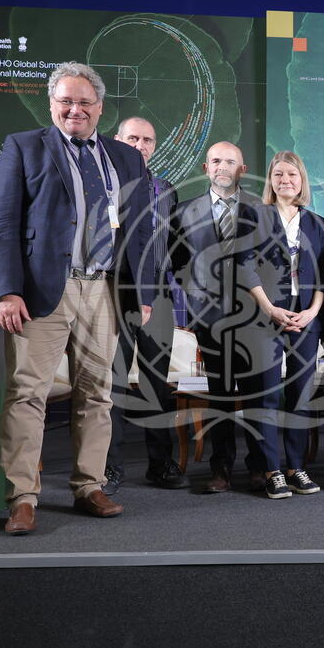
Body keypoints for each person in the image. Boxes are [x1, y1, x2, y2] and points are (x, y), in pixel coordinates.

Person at [0, 61, 153, 535]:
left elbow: (142, 231)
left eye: (84, 102)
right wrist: (7, 290)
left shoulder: (126, 157)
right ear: (51, 104)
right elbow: (3, 223)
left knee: (97, 395)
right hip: (42, 290)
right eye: (65, 101)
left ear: (100, 107)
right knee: (27, 394)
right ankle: (22, 497)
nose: (74, 109)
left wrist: (141, 293)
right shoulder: (24, 147)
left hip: (104, 289)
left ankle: (89, 486)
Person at [168, 141, 290, 498]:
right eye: (216, 160)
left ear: (242, 169)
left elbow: (279, 261)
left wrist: (268, 305)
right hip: (209, 319)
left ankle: (258, 467)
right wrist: (195, 294)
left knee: (256, 396)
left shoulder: (263, 210)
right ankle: (220, 469)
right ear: (206, 167)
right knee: (219, 396)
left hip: (256, 320)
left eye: (231, 161)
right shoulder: (184, 212)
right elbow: (177, 261)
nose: (223, 166)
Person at [104, 116, 189, 494]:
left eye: (147, 140)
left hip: (158, 297)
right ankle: (108, 468)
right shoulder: (103, 185)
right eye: (133, 138)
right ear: (117, 140)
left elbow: (175, 247)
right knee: (113, 384)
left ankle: (160, 464)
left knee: (158, 385)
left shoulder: (166, 190)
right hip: (113, 294)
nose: (140, 145)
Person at [256, 150, 324, 495]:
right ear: (270, 180)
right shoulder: (257, 217)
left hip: (305, 316)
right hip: (265, 315)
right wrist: (270, 308)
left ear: (302, 181)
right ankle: (272, 470)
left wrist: (313, 311)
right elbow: (244, 266)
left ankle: (296, 467)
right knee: (268, 395)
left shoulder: (317, 223)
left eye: (292, 174)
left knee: (300, 395)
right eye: (279, 174)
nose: (285, 180)